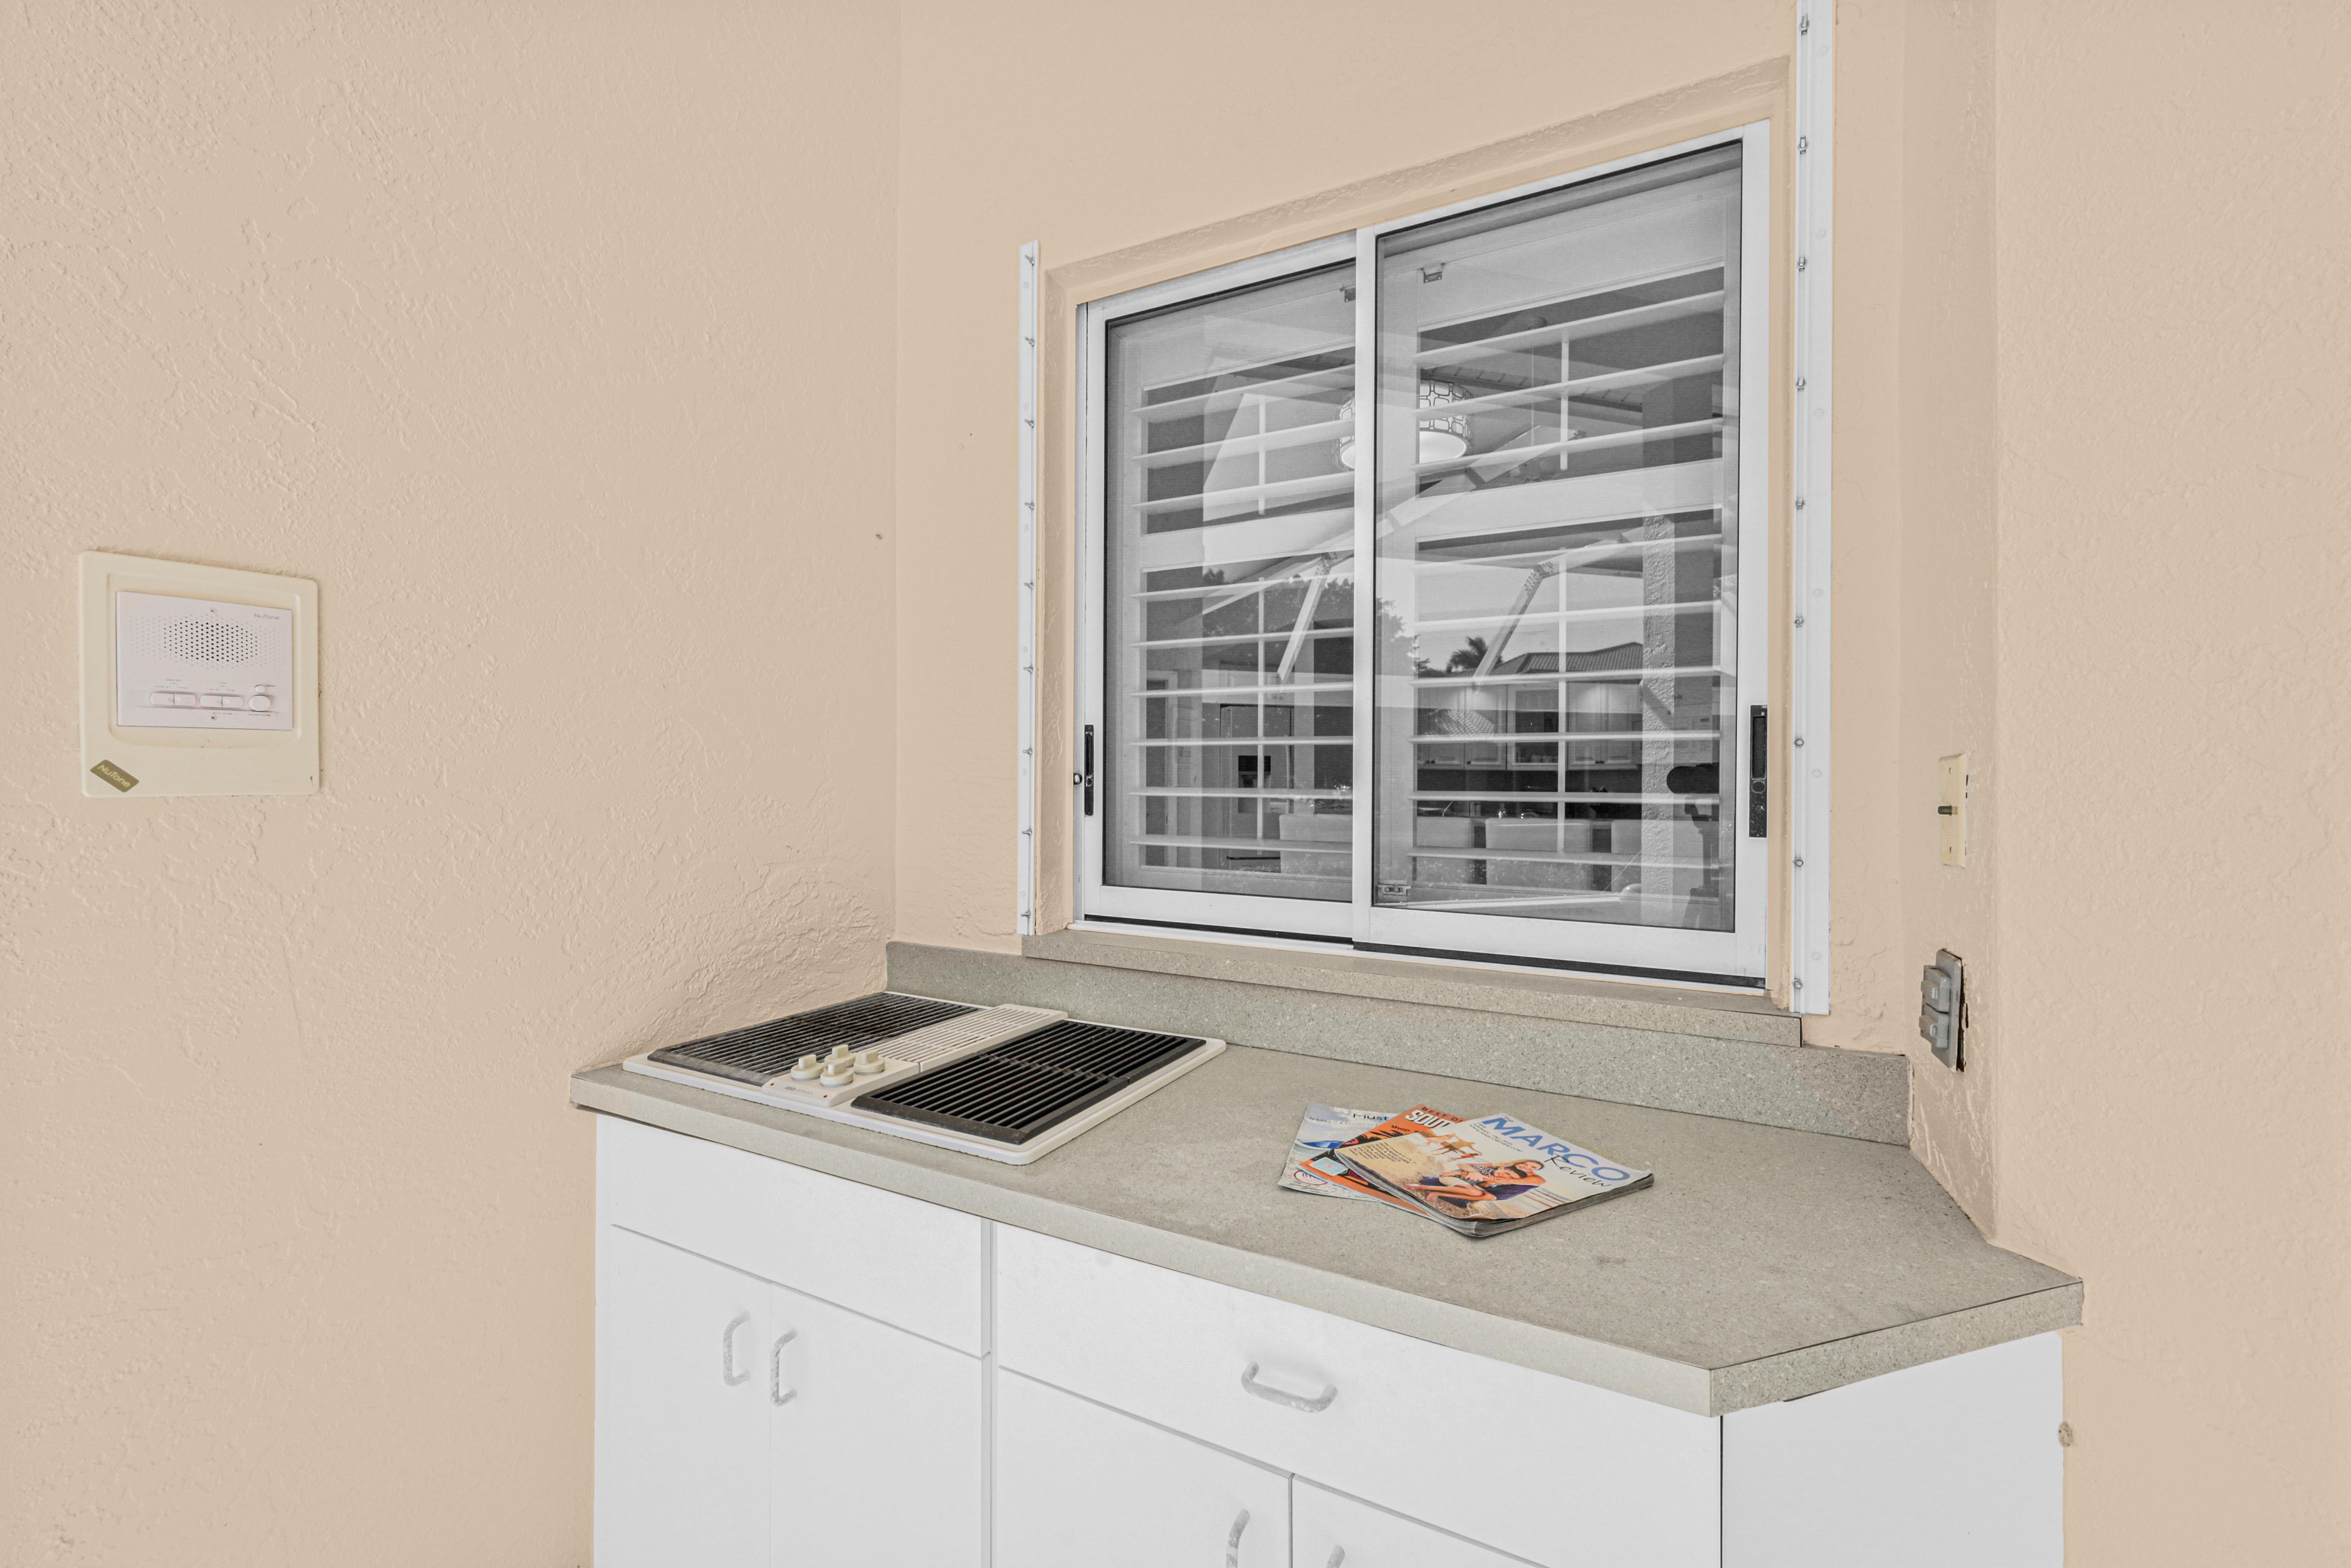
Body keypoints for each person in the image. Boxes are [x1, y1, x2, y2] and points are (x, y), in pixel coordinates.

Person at [1406, 1158, 1547, 1211]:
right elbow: (1466, 1165)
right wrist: (1474, 1172)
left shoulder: (1538, 1179)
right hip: (1482, 1185)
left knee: (1483, 1195)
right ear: (1521, 1162)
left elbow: (1504, 1182)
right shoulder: (1504, 1167)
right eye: (1527, 1164)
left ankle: (1436, 1192)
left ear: (1535, 1171)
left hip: (1500, 1190)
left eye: (1533, 1168)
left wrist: (1489, 1180)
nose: (1527, 1167)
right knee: (1476, 1192)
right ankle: (1432, 1191)